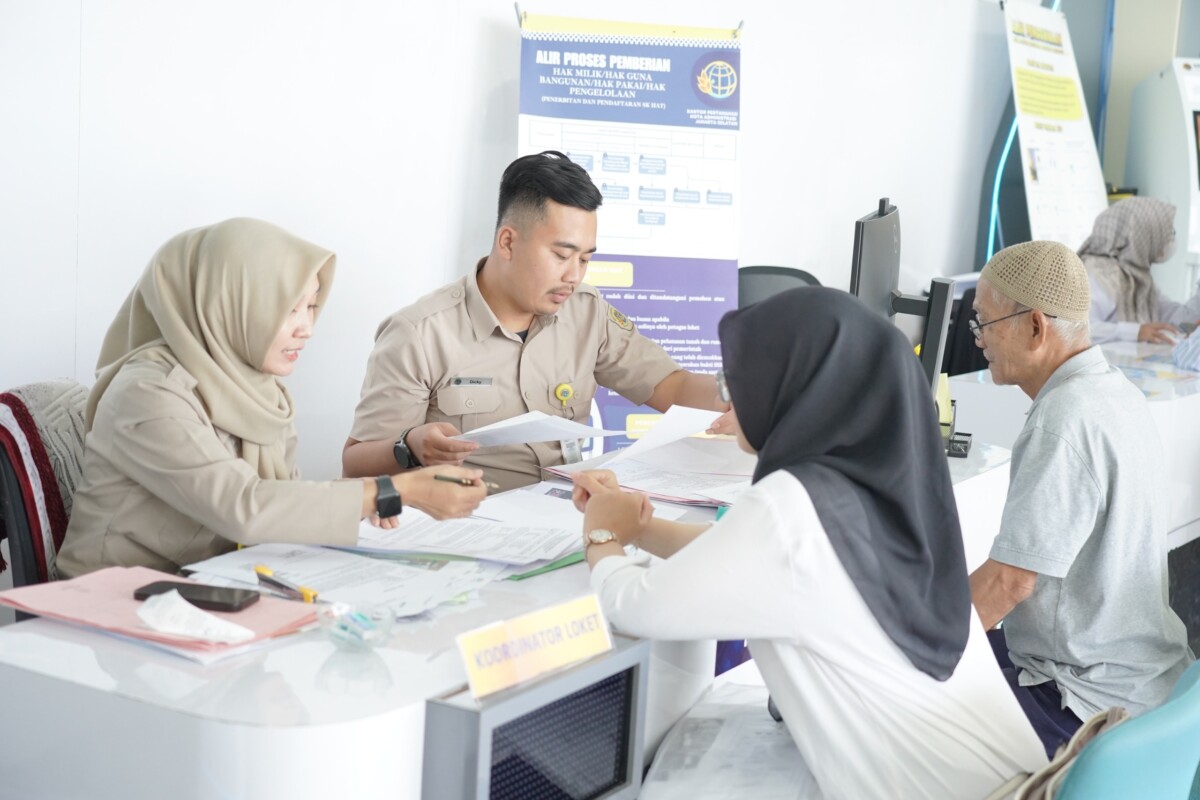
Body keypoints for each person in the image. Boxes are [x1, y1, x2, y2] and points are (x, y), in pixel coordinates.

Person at [573, 287, 1047, 799]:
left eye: (737, 382)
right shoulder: (873, 487)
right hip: (1018, 782)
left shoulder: (790, 506)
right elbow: (750, 558)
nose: (729, 401)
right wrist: (640, 530)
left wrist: (602, 533)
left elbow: (634, 606)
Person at [57, 218, 486, 578]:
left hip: (211, 587)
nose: (307, 328)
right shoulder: (148, 392)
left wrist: (367, 501)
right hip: (108, 607)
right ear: (229, 303)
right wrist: (390, 491)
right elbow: (243, 506)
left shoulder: (257, 388)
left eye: (311, 307)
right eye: (289, 309)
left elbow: (281, 498)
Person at [342, 151, 730, 491]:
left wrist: (736, 397)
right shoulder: (420, 333)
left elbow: (672, 386)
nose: (574, 275)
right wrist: (410, 447)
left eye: (585, 259)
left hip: (567, 514)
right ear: (508, 242)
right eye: (561, 255)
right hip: (467, 524)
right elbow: (355, 465)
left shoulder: (586, 311)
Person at [968, 240, 1192, 756]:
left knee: (907, 708)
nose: (979, 339)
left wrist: (906, 660)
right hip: (1148, 675)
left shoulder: (1063, 420)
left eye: (984, 322)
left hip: (1083, 697)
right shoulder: (1115, 391)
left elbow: (1010, 582)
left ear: (1035, 326)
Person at [1079, 197, 1200, 343]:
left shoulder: (1137, 276)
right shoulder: (1101, 273)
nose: (1170, 240)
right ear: (1141, 236)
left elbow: (1179, 321)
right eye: (1167, 233)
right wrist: (1135, 332)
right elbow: (1079, 329)